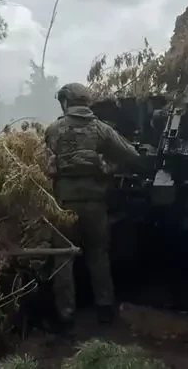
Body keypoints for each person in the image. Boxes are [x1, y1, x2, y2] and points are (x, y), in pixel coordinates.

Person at [44, 82, 142, 326]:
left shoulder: (54, 129)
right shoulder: (101, 129)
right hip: (94, 204)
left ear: (66, 102)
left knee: (63, 257)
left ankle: (65, 316)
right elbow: (131, 155)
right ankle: (105, 309)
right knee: (98, 254)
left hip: (63, 204)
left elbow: (43, 161)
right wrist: (109, 166)